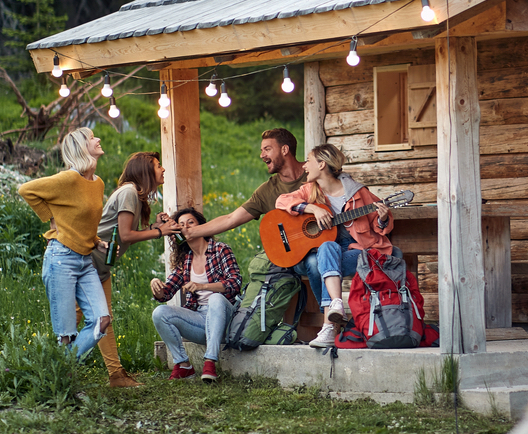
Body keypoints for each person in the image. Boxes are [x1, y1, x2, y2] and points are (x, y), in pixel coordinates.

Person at [178, 128, 326, 331]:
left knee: (319, 260)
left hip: (325, 245)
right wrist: (193, 231)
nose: (261, 155)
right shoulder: (267, 191)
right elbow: (231, 218)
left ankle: (326, 320)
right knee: (301, 263)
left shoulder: (315, 174)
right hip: (293, 256)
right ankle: (266, 328)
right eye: (261, 149)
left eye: (267, 149)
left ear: (284, 149)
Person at [275, 143, 394, 348]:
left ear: (321, 164)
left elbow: (379, 224)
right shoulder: (310, 190)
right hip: (327, 251)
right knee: (325, 248)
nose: (304, 166)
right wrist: (312, 208)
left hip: (356, 251)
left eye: (309, 161)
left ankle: (328, 324)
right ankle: (335, 308)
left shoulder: (357, 193)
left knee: (319, 260)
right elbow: (281, 201)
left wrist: (382, 218)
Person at [17, 127, 111, 360]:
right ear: (81, 148)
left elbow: (82, 218)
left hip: (85, 260)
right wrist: (51, 218)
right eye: (92, 138)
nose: (98, 139)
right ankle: (64, 380)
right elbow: (26, 190)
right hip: (61, 259)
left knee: (102, 320)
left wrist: (97, 241)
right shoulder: (68, 178)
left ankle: (62, 370)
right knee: (66, 335)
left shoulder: (98, 184)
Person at [91, 151, 173, 388]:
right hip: (87, 264)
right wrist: (159, 232)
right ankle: (57, 364)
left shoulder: (135, 196)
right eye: (158, 165)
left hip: (99, 267)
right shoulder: (128, 192)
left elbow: (125, 234)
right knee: (80, 317)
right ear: (145, 171)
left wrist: (155, 226)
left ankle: (117, 375)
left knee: (104, 319)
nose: (163, 169)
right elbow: (126, 234)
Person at [151, 207, 242, 382]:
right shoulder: (186, 260)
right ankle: (183, 365)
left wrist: (203, 286)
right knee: (160, 313)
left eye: (190, 223)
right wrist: (155, 284)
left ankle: (210, 362)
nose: (185, 227)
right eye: (181, 225)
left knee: (215, 298)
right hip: (200, 321)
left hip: (226, 319)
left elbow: (235, 283)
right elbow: (166, 293)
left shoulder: (220, 250)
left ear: (202, 227)